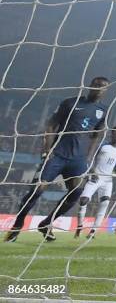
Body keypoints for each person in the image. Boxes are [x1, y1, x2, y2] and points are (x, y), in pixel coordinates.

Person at [5, 77, 110, 243]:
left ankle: (46, 223)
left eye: (103, 87)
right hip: (57, 155)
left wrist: (88, 157)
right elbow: (51, 124)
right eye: (96, 85)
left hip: (78, 160)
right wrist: (47, 149)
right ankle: (17, 226)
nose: (99, 89)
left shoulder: (103, 110)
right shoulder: (70, 103)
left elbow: (97, 135)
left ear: (106, 90)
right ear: (90, 86)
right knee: (37, 190)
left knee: (76, 193)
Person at [75, 126, 116, 239]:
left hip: (107, 181)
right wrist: (92, 171)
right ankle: (79, 226)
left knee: (105, 203)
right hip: (95, 178)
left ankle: (93, 232)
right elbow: (90, 158)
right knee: (83, 200)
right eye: (115, 134)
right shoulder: (103, 146)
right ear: (111, 134)